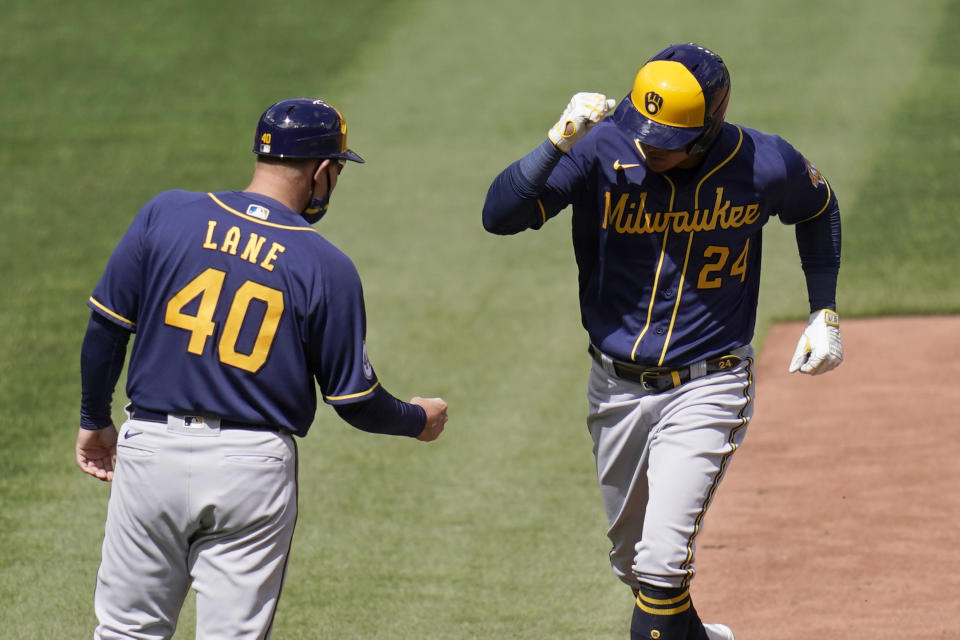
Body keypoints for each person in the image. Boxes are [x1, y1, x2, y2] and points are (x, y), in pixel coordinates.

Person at [482, 43, 842, 640]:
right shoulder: (601, 148)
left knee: (660, 565)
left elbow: (818, 207)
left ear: (705, 134)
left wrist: (822, 309)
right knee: (634, 565)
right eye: (642, 135)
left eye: (666, 142)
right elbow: (500, 216)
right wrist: (556, 142)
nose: (648, 149)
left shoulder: (763, 162)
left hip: (710, 383)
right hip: (615, 391)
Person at [76, 97, 449, 639]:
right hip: (248, 467)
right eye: (338, 170)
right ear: (322, 170)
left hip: (149, 448)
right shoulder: (327, 265)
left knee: (126, 632)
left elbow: (106, 328)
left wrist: (94, 418)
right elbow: (354, 401)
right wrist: (419, 418)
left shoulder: (167, 213)